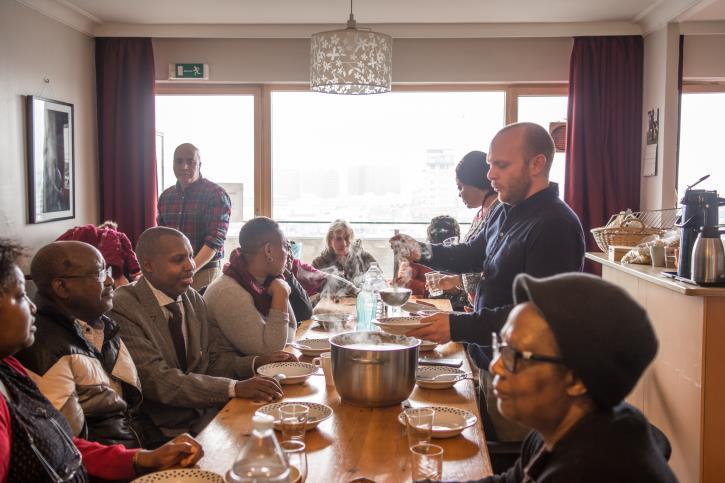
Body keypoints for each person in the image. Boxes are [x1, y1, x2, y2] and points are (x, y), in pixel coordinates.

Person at [392, 122, 585, 442]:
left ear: (537, 164)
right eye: (490, 165)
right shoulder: (504, 210)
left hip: (527, 376)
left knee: (518, 459)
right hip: (491, 359)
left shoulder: (556, 225)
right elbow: (472, 254)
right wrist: (421, 250)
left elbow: (537, 315)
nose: (490, 175)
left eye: (501, 165)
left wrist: (457, 326)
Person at [0, 238, 204, 481]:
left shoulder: (10, 368)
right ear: (62, 288)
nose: (32, 306)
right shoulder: (44, 352)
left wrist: (140, 458)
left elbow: (63, 444)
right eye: (21, 296)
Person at [463, 272, 677, 482]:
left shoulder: (588, 471)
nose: (496, 365)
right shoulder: (556, 431)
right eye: (501, 348)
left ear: (576, 380)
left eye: (514, 355)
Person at [111, 227, 295, 437]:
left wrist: (257, 362)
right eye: (178, 259)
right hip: (158, 428)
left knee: (280, 430)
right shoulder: (125, 305)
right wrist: (235, 388)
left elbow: (211, 362)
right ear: (148, 265)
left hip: (203, 416)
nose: (190, 265)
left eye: (190, 256)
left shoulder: (192, 298)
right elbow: (158, 381)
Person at [16, 241, 162, 448]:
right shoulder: (45, 348)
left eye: (108, 270)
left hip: (142, 447)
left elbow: (131, 409)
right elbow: (67, 444)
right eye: (100, 274)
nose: (111, 281)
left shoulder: (102, 324)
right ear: (62, 287)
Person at [204, 217, 297, 355]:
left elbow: (289, 333)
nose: (289, 253)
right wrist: (281, 294)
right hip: (230, 374)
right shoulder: (229, 292)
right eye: (285, 246)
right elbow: (270, 351)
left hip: (254, 371)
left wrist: (280, 287)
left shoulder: (266, 280)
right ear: (269, 251)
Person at [157, 143, 232, 291]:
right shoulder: (166, 197)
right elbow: (162, 238)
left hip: (205, 272)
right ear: (173, 164)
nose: (184, 166)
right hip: (174, 272)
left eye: (190, 161)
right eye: (179, 161)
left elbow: (214, 241)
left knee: (200, 313)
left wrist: (189, 269)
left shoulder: (216, 195)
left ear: (200, 164)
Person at [437, 151, 500, 302]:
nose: (459, 194)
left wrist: (457, 280)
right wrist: (455, 280)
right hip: (476, 303)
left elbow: (493, 269)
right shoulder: (480, 214)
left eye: (460, 187)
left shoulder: (499, 214)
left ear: (475, 183)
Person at [57, 221, 141, 287]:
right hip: (113, 266)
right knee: (119, 280)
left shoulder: (85, 232)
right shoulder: (117, 235)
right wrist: (136, 270)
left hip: (72, 256)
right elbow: (130, 255)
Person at [396, 215, 460, 297]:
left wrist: (457, 288)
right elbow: (402, 283)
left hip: (456, 305)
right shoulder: (417, 257)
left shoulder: (460, 256)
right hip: (427, 303)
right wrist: (438, 287)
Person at [312, 219, 377, 284]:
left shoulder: (364, 257)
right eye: (338, 239)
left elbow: (379, 281)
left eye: (347, 238)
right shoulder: (318, 264)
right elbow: (311, 290)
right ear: (329, 241)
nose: (344, 244)